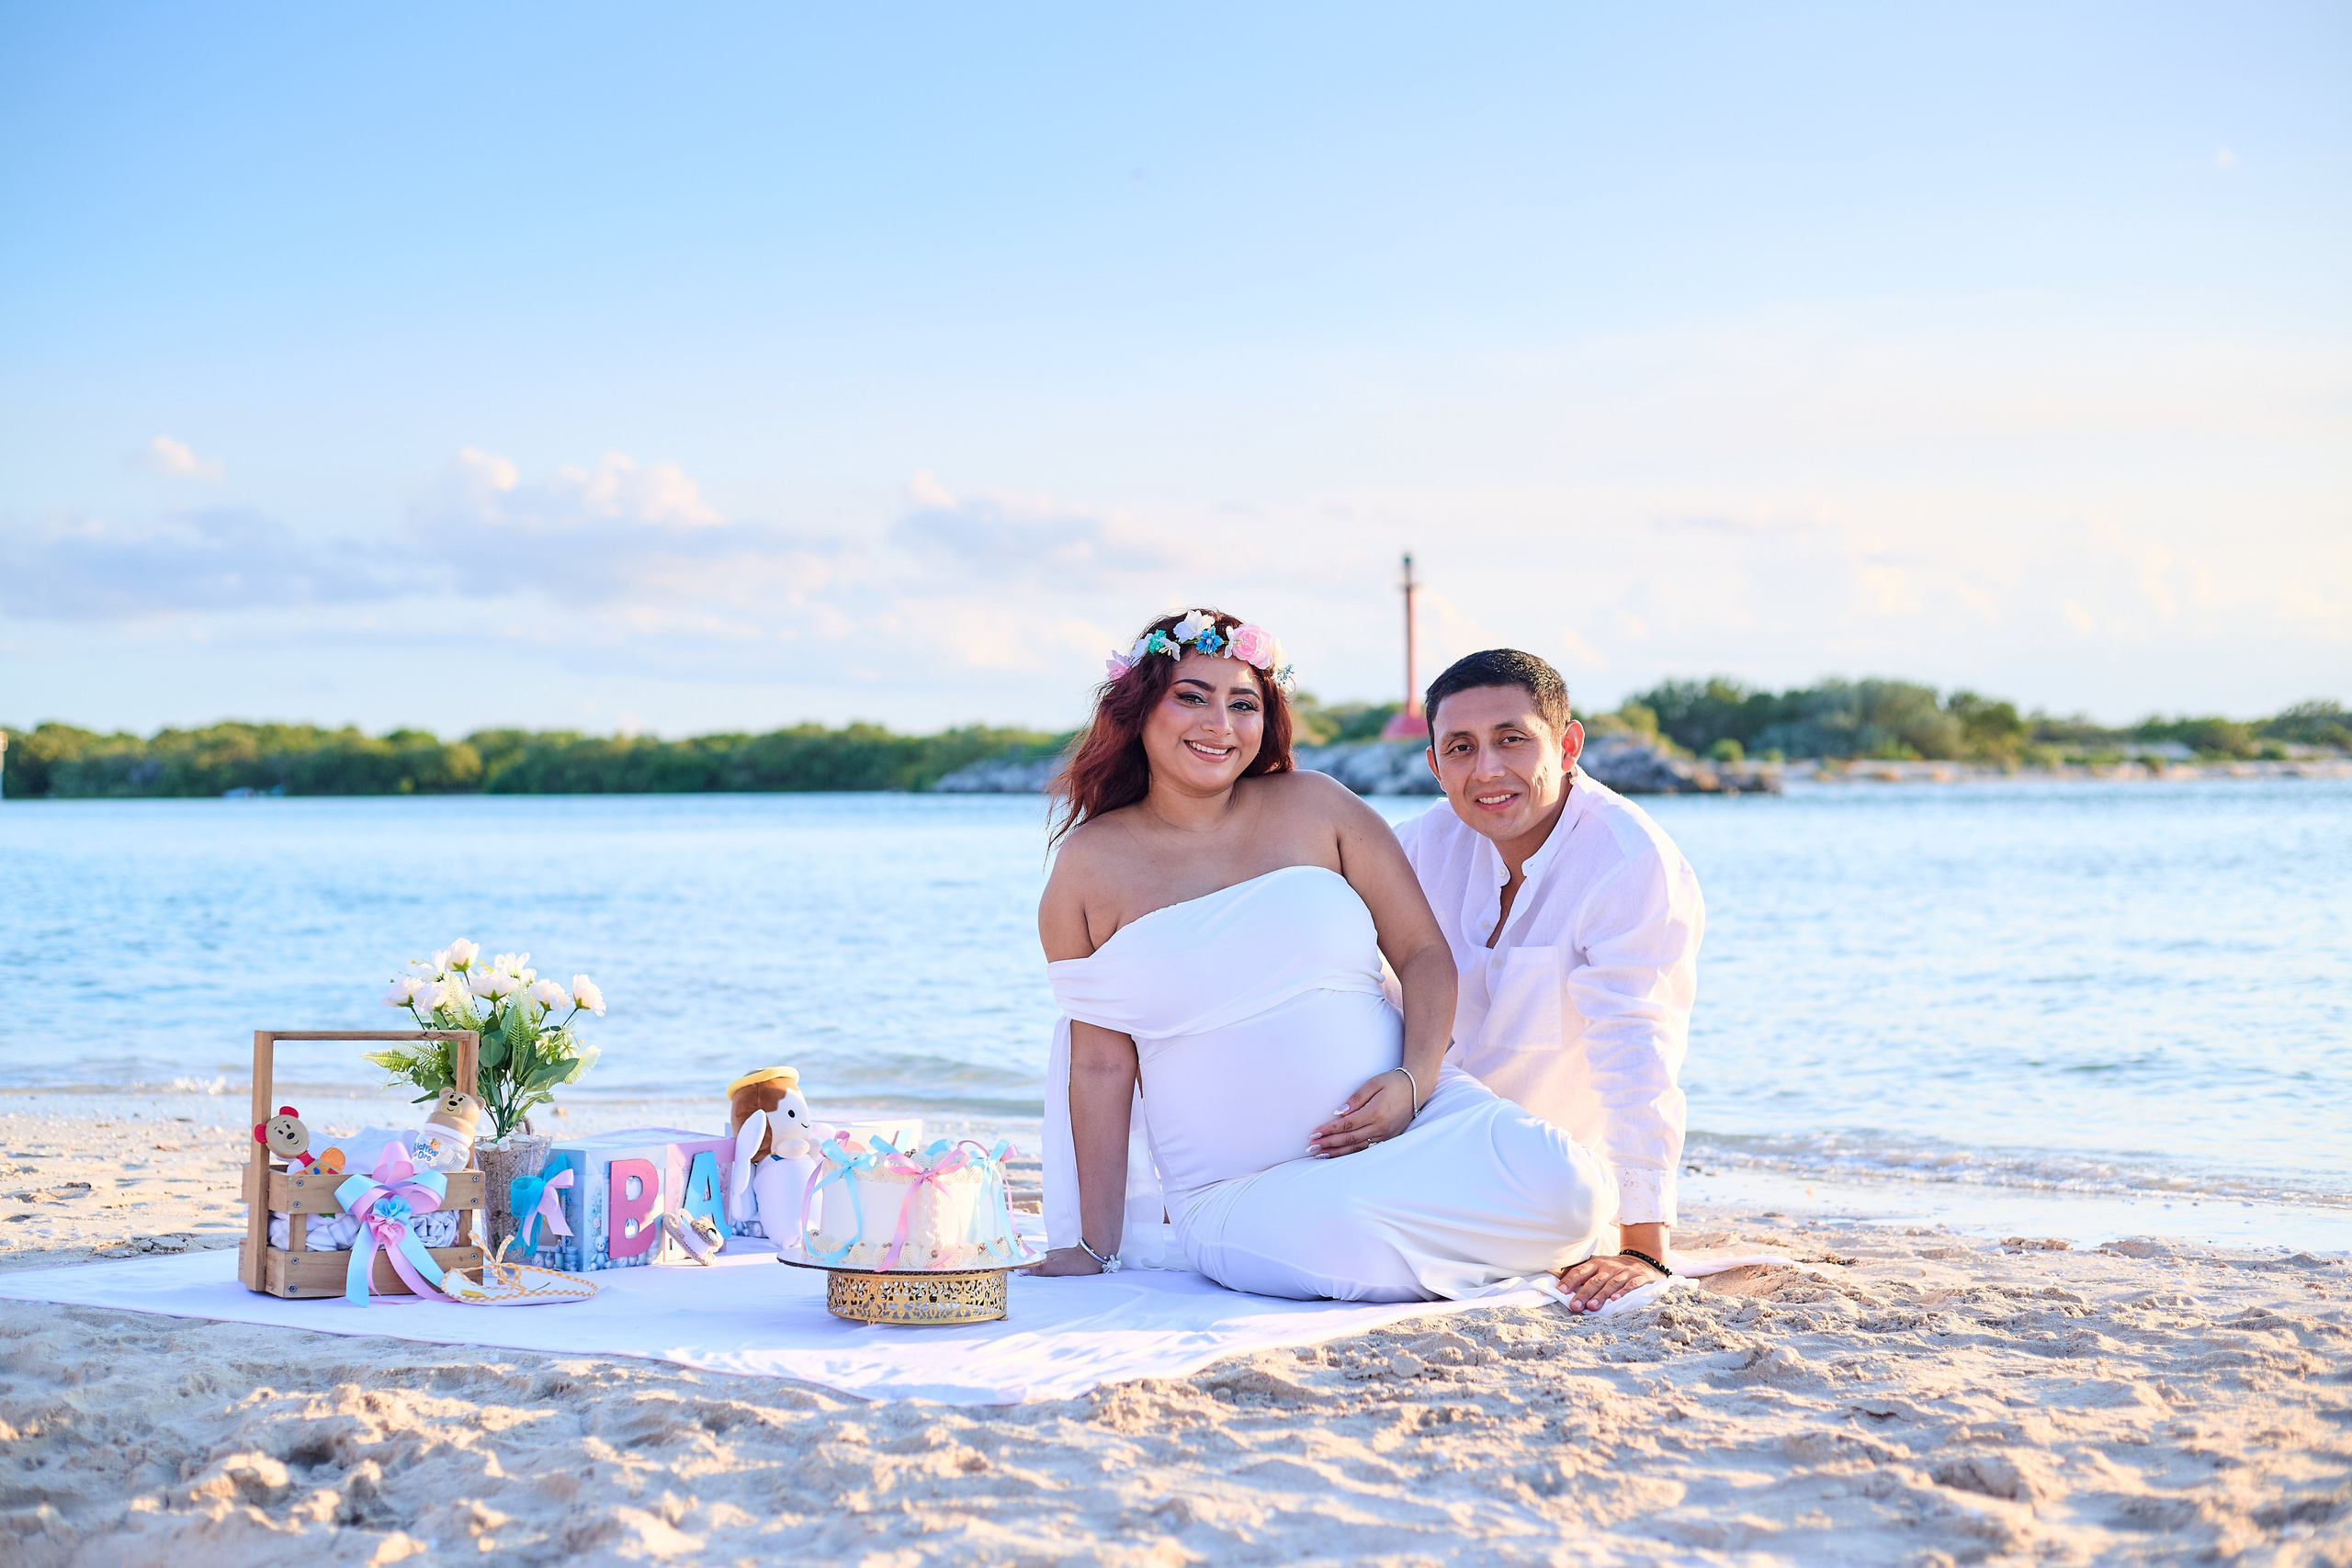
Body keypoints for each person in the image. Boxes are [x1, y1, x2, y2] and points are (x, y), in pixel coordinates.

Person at [1030, 608, 1618, 1303]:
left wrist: (1412, 1081)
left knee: (1572, 1191)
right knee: (1342, 1237)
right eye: (1192, 696)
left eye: (1243, 703)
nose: (1219, 723)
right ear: (1140, 709)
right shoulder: (1089, 866)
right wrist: (1093, 1247)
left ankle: (1435, 1236)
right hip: (1240, 1189)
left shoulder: (1319, 807)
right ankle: (1451, 1244)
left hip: (1417, 1124)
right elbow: (1100, 1061)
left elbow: (1425, 954)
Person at [1395, 649, 1705, 1313]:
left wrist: (1645, 1247)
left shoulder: (1627, 860)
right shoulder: (1426, 844)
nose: (1488, 769)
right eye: (1461, 747)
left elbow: (1637, 1050)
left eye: (1512, 739)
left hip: (1545, 1186)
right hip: (1423, 1148)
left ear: (1567, 746)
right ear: (1434, 765)